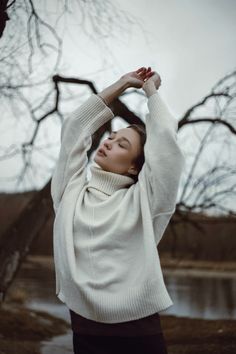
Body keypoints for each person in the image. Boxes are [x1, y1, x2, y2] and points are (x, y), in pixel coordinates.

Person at [50, 67, 185, 353]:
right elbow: (75, 129)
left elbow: (166, 149)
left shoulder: (147, 202)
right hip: (85, 331)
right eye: (111, 137)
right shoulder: (70, 193)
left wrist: (152, 93)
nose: (109, 142)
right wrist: (122, 84)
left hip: (138, 334)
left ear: (136, 165)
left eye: (122, 144)